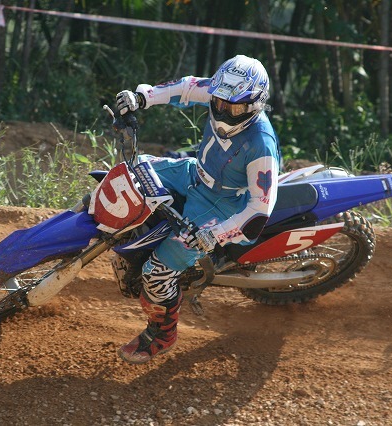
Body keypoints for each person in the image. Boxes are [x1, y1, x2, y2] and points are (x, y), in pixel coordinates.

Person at [115, 55, 280, 364]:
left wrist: (214, 235)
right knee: (130, 171)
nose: (224, 111)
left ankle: (163, 334)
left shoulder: (262, 145)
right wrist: (142, 97)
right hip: (194, 173)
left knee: (156, 274)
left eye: (235, 108)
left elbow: (260, 208)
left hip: (222, 203)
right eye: (219, 102)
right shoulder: (221, 93)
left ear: (255, 104)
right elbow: (187, 88)